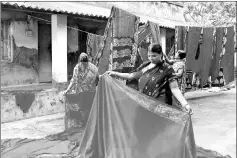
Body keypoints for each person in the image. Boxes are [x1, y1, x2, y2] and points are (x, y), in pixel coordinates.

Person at [106, 43, 192, 114]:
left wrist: (185, 104)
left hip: (160, 108)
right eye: (149, 56)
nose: (151, 58)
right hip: (143, 104)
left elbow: (175, 88)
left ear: (161, 54)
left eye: (154, 56)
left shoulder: (167, 69)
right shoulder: (145, 66)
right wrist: (115, 73)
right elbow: (130, 76)